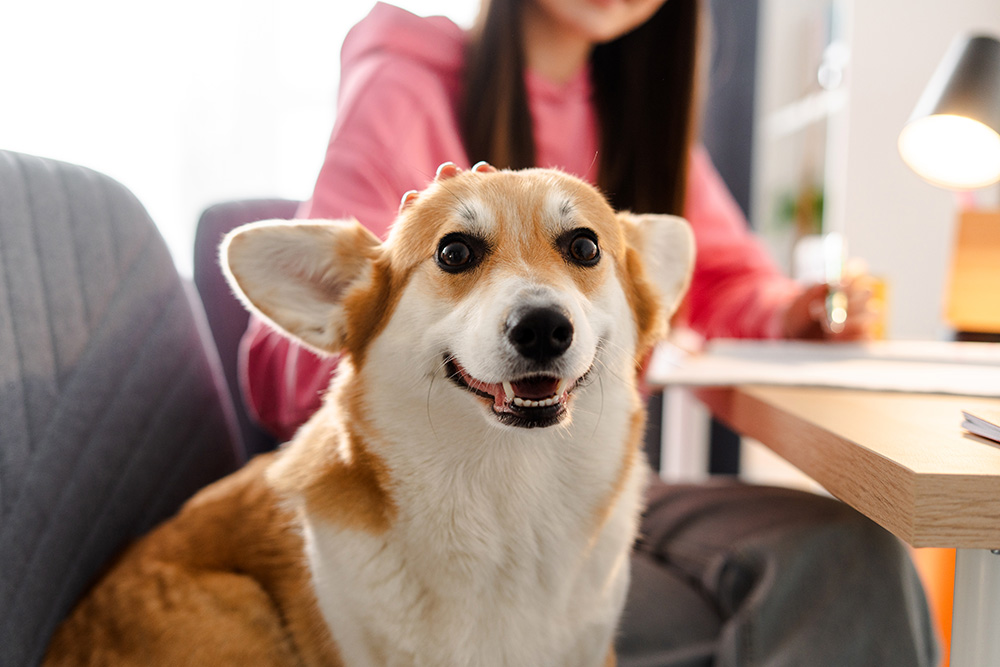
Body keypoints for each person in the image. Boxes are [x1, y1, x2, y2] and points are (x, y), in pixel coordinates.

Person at [240, 1, 938, 665]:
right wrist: (413, 263)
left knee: (852, 552)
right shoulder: (407, 79)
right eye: (460, 254)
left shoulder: (637, 118)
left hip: (589, 493)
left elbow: (720, 279)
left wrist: (795, 312)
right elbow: (281, 367)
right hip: (435, 513)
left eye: (579, 249)